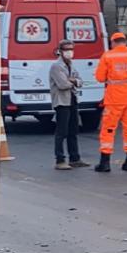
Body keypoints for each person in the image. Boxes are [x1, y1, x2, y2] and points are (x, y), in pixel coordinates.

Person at [94, 31, 127, 173]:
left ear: (113, 42)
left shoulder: (108, 56)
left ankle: (105, 163)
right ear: (125, 42)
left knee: (108, 129)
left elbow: (100, 77)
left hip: (114, 98)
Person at [48, 39, 88, 170]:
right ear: (60, 51)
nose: (69, 52)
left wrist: (73, 81)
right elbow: (62, 84)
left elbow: (81, 81)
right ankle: (60, 160)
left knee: (73, 130)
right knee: (61, 132)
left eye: (71, 49)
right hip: (61, 102)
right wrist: (74, 81)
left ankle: (75, 158)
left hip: (72, 100)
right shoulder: (56, 66)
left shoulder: (72, 65)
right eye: (66, 49)